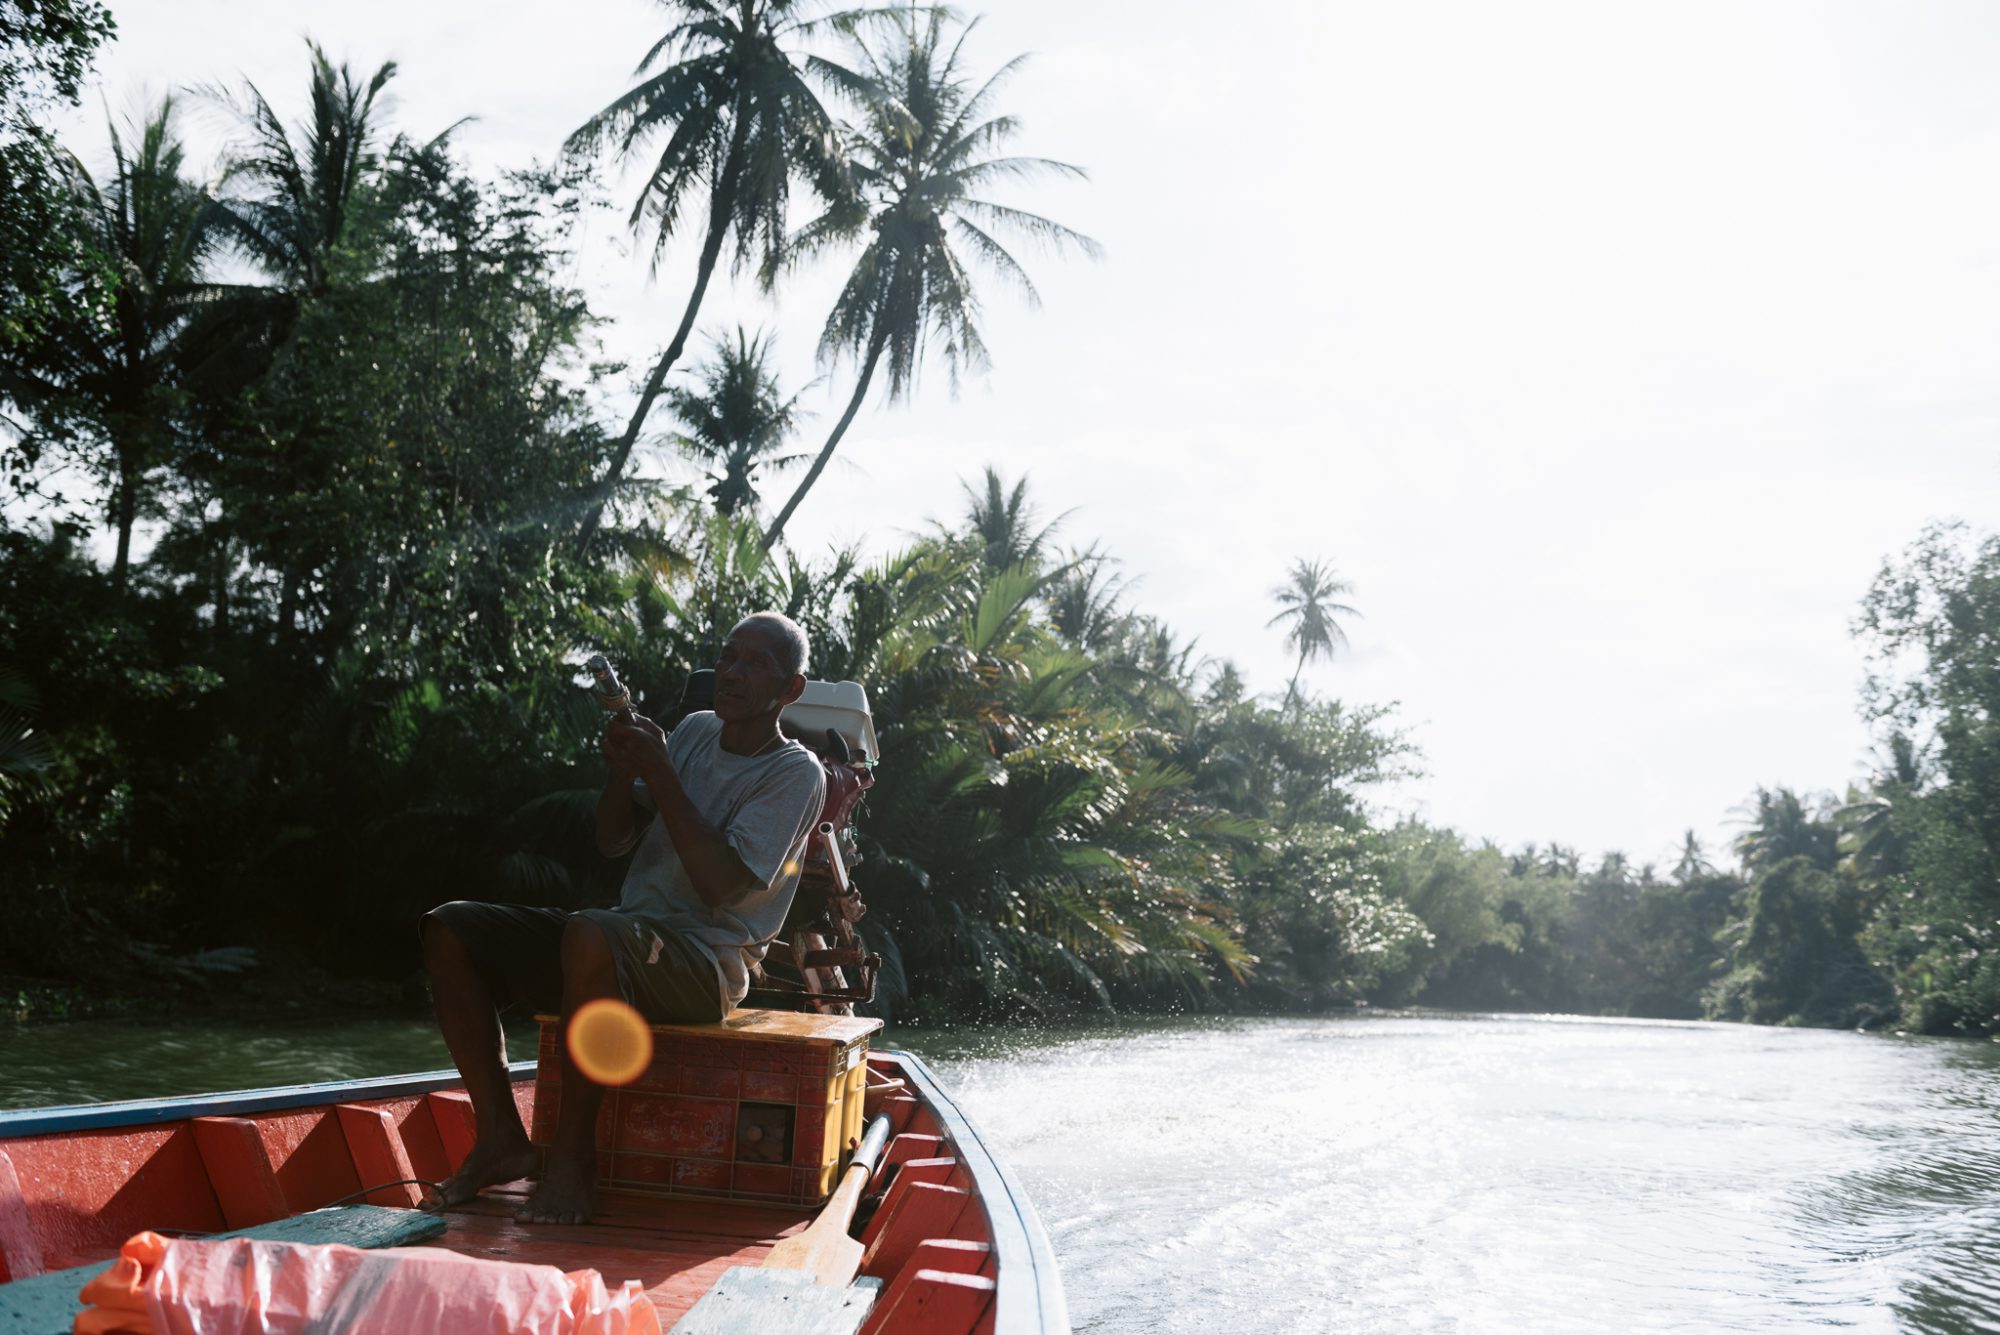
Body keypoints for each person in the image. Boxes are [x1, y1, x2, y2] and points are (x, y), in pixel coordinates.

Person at [418, 612, 827, 1224]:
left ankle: (573, 1165)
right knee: (450, 928)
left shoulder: (796, 773)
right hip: (619, 941)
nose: (733, 673)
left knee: (591, 931)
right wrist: (624, 772)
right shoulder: (691, 731)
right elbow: (612, 840)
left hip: (705, 965)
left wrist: (659, 771)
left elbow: (720, 887)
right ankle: (503, 1137)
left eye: (755, 663)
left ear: (790, 689)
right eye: (728, 655)